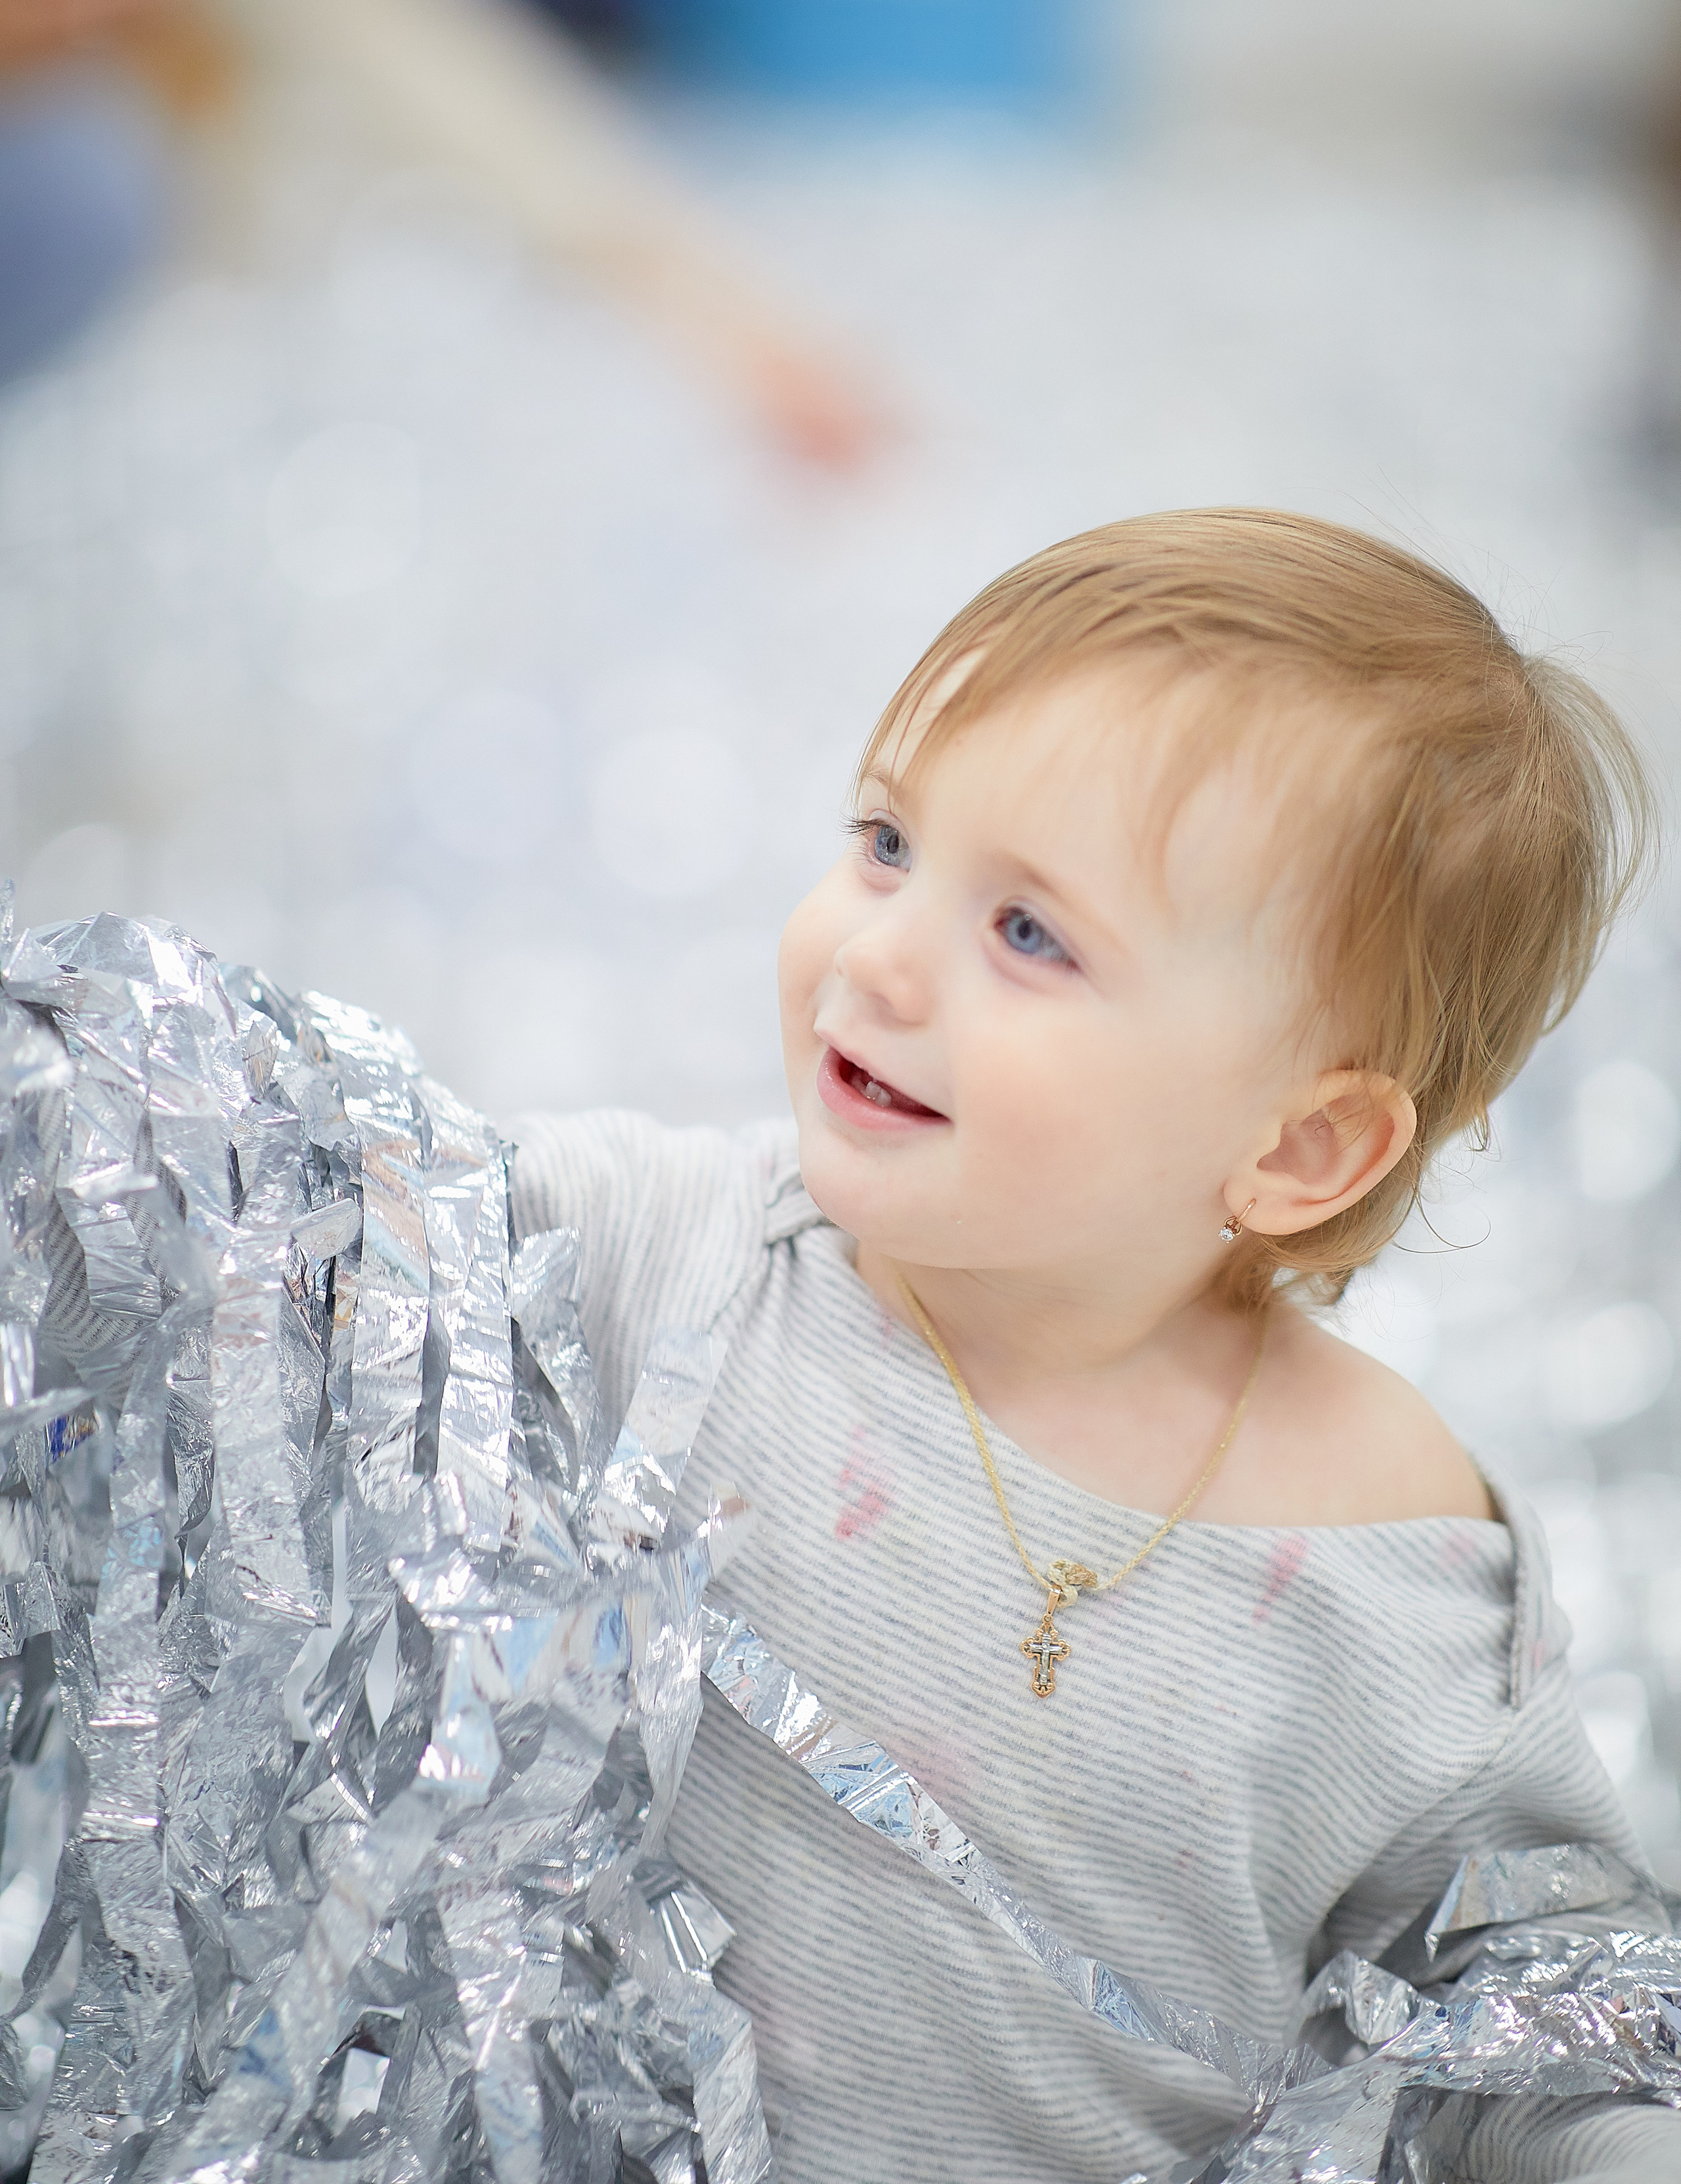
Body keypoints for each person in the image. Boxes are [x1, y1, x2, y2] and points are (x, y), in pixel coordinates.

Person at [510, 508, 1674, 2181]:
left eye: (1029, 933)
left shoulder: (1386, 1570)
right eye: (887, 840)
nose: (879, 952)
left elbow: (1525, 1995)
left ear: (1296, 1149)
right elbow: (306, 1234)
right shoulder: (667, 1257)